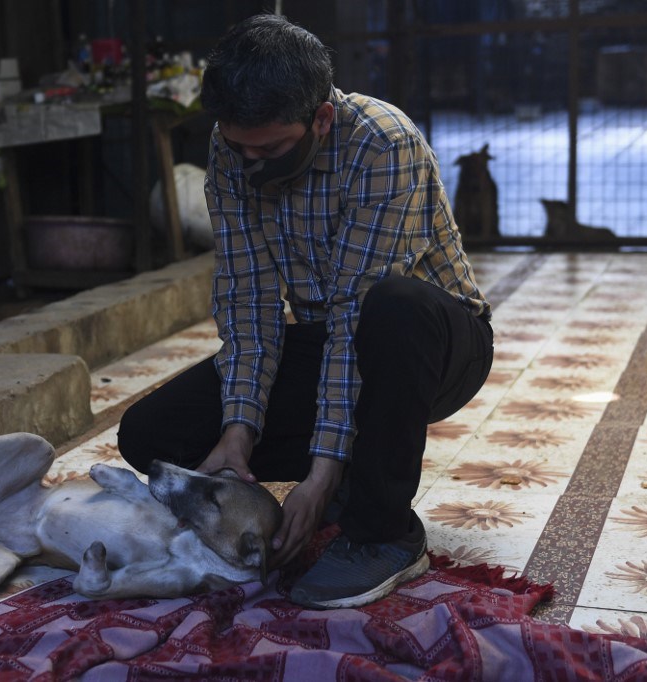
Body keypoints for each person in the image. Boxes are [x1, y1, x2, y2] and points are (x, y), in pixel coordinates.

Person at [117, 13, 493, 609]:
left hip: (429, 347)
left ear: (320, 119)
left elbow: (354, 314)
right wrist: (237, 433)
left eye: (269, 149)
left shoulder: (382, 143)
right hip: (326, 338)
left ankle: (383, 532)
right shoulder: (231, 148)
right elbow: (249, 303)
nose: (250, 163)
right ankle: (351, 476)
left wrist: (319, 474)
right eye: (238, 147)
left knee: (391, 308)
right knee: (152, 436)